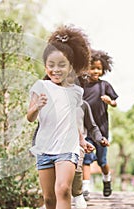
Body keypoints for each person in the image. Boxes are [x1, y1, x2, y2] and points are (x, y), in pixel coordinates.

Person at [27, 25, 90, 209]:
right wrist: (36, 107)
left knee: (63, 189)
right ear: (45, 66)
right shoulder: (40, 86)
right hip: (45, 148)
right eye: (51, 65)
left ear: (71, 66)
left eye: (62, 65)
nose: (56, 70)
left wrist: (81, 140)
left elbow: (73, 119)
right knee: (48, 199)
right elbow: (30, 118)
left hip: (67, 148)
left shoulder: (76, 92)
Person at [80, 49, 118, 200]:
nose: (95, 71)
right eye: (92, 67)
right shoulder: (82, 85)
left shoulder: (105, 86)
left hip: (101, 128)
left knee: (102, 160)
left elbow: (115, 102)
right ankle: (85, 189)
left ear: (103, 70)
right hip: (85, 128)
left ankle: (107, 179)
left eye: (98, 68)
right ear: (86, 68)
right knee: (87, 159)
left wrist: (110, 101)